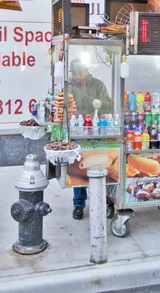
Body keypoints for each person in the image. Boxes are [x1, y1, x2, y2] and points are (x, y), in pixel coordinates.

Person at [69, 59, 113, 220]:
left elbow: (109, 104)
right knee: (78, 166)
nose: (77, 76)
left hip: (96, 130)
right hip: (76, 130)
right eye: (75, 74)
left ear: (86, 71)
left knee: (100, 164)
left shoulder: (97, 85)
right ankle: (79, 203)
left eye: (80, 73)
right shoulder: (69, 86)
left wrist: (100, 103)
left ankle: (105, 199)